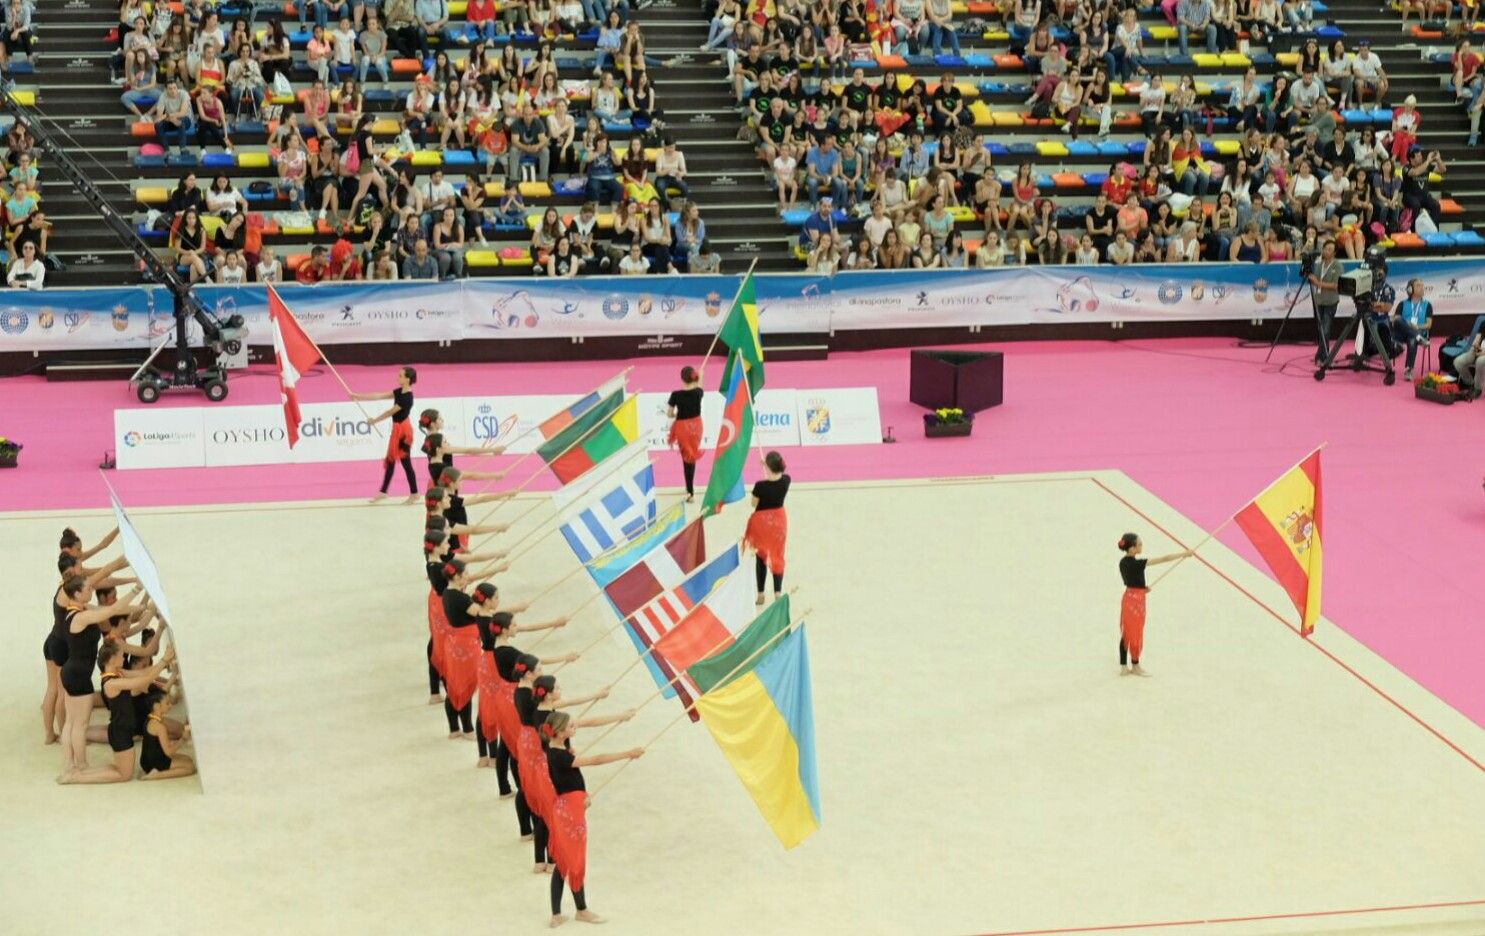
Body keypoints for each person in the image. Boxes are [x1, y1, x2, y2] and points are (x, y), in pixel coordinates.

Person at [542, 711, 644, 928]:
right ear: (559, 733)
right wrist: (628, 753)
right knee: (574, 861)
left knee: (563, 860)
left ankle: (557, 914)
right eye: (570, 727)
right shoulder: (561, 756)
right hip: (570, 811)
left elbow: (570, 778)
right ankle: (581, 910)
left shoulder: (555, 749)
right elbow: (596, 760)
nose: (574, 728)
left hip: (566, 806)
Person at [59, 580, 147, 773]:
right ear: (76, 594)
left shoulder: (78, 610)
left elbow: (113, 610)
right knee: (79, 724)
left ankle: (69, 763)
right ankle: (79, 764)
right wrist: (136, 589)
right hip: (79, 676)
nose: (91, 590)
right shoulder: (80, 618)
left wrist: (143, 606)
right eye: (87, 588)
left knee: (71, 722)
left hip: (71, 671)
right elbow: (109, 611)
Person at [61, 639, 175, 784]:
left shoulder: (117, 673)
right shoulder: (112, 683)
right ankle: (77, 778)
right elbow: (143, 681)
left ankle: (79, 773)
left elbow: (143, 673)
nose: (123, 658)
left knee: (120, 769)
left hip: (122, 729)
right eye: (121, 655)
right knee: (124, 775)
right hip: (120, 732)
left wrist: (164, 664)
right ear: (112, 659)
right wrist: (164, 661)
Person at [1116, 533, 1192, 676]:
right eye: (1139, 545)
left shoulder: (1122, 562)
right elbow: (1164, 559)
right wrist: (1184, 554)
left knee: (1127, 631)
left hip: (1128, 597)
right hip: (1137, 601)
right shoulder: (1138, 563)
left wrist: (1141, 588)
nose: (1141, 546)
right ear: (1132, 548)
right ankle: (1136, 665)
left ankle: (1123, 666)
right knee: (1136, 631)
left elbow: (1129, 580)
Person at [352, 366, 419, 502]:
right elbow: (379, 395)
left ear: (407, 379)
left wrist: (374, 421)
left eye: (400, 376)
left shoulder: (407, 398)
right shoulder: (399, 391)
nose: (397, 377)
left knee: (406, 462)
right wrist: (358, 396)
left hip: (404, 432)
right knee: (391, 460)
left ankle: (414, 493)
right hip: (397, 430)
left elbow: (390, 412)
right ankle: (383, 491)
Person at [745, 451, 790, 606]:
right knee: (778, 555)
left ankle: (761, 594)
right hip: (778, 523)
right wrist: (768, 465)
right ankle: (777, 592)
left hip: (762, 525)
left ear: (768, 468)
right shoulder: (786, 481)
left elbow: (754, 504)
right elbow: (780, 476)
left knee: (761, 558)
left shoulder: (760, 486)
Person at [139, 680, 196, 780]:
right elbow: (169, 752)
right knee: (190, 767)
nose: (170, 706)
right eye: (167, 703)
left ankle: (156, 771)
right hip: (154, 762)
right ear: (157, 706)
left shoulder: (150, 719)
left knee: (188, 759)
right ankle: (156, 775)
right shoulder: (159, 726)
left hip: (146, 760)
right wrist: (182, 739)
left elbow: (156, 744)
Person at [667, 366, 705, 502]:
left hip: (683, 428)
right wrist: (702, 375)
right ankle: (690, 490)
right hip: (696, 427)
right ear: (694, 377)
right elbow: (699, 385)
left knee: (686, 459)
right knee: (692, 456)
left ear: (682, 378)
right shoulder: (698, 393)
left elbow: (669, 414)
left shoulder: (675, 395)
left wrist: (678, 413)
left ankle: (690, 492)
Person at [1391, 279, 1433, 381]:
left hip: (1418, 331)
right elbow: (1395, 321)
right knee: (1398, 320)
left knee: (1412, 339)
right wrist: (1408, 324)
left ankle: (1409, 369)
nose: (1422, 288)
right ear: (1410, 289)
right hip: (1401, 333)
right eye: (1418, 286)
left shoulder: (1427, 305)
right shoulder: (1402, 304)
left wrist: (1417, 327)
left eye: (1422, 285)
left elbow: (1428, 325)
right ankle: (1419, 338)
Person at [1308, 238, 1342, 363]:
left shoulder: (1337, 265)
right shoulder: (1319, 265)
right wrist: (1312, 278)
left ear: (1334, 253)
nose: (1326, 251)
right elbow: (1314, 278)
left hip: (1330, 301)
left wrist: (1318, 283)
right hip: (1319, 301)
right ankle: (1321, 355)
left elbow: (1336, 285)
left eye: (1329, 250)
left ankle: (1324, 357)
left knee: (1326, 329)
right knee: (1320, 329)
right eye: (1325, 248)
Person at [1453, 329, 1485, 399]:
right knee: (1458, 362)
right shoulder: (1482, 329)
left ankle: (1477, 388)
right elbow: (1477, 342)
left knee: (1480, 361)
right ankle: (1470, 383)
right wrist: (1475, 345)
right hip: (1477, 352)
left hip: (1482, 356)